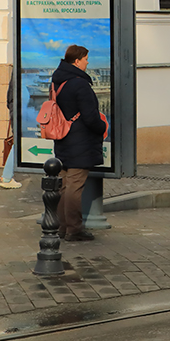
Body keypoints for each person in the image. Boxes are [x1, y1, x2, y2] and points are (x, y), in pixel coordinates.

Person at [52, 44, 108, 242]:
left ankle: (62, 227)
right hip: (80, 142)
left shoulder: (58, 81)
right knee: (74, 187)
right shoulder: (80, 84)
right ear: (77, 61)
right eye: (86, 59)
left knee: (65, 186)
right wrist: (102, 127)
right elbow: (90, 117)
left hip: (63, 139)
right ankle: (74, 229)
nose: (88, 62)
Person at [0, 69, 21, 189]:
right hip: (17, 108)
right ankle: (6, 177)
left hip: (14, 107)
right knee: (18, 142)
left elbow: (10, 94)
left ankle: (7, 176)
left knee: (18, 141)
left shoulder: (16, 70)